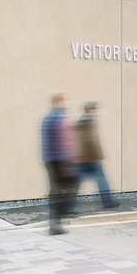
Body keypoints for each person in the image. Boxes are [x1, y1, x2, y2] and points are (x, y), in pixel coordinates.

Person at [41, 92, 79, 235]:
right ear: (59, 102)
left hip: (50, 160)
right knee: (71, 187)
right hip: (61, 161)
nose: (67, 103)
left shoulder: (47, 118)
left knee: (55, 191)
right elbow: (65, 142)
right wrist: (67, 164)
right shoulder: (61, 118)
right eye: (65, 100)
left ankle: (54, 223)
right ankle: (59, 218)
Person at [75, 101, 119, 210]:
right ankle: (108, 202)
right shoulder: (92, 122)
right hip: (92, 158)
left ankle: (67, 207)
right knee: (102, 179)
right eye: (96, 109)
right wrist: (100, 156)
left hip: (80, 158)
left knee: (75, 183)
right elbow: (93, 141)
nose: (98, 111)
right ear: (91, 110)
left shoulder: (79, 122)